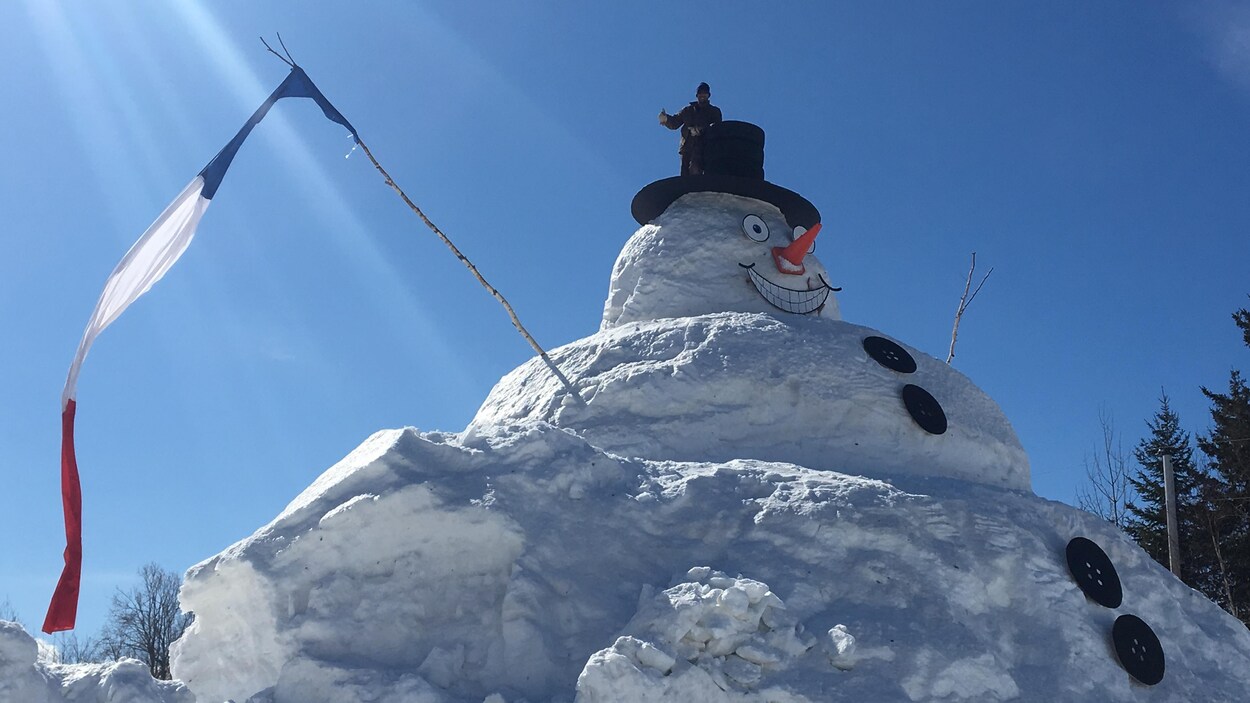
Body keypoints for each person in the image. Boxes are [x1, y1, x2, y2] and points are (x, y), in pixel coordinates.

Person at [659, 82, 722, 176]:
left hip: (703, 146)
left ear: (708, 95)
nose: (702, 95)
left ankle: (697, 187)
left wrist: (701, 130)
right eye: (700, 93)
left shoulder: (713, 111)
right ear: (697, 95)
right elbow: (675, 123)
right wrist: (666, 119)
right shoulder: (687, 110)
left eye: (705, 93)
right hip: (686, 146)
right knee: (684, 172)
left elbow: (718, 129)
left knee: (696, 168)